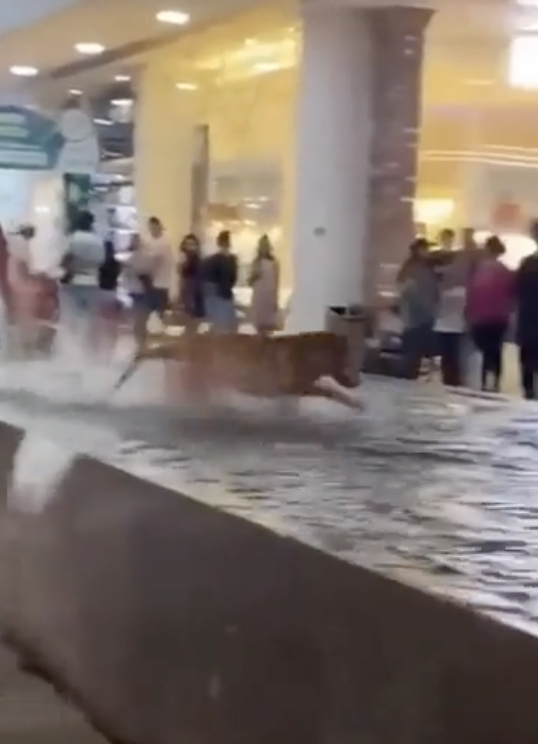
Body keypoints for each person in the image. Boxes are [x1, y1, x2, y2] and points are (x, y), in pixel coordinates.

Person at [466, 235, 513, 392]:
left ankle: (485, 380)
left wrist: (469, 313)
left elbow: (472, 293)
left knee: (484, 350)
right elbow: (511, 295)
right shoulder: (505, 271)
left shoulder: (478, 270)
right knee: (496, 348)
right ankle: (495, 381)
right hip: (500, 317)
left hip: (481, 317)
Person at [397, 238, 438, 379]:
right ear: (419, 250)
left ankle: (409, 379)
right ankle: (407, 380)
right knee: (412, 356)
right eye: (426, 249)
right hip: (416, 319)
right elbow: (410, 292)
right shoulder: (415, 270)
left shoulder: (420, 268)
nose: (428, 252)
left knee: (415, 356)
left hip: (418, 319)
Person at [60, 210, 105, 336]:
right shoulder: (98, 240)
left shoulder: (73, 238)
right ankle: (86, 345)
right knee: (89, 317)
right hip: (93, 281)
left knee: (72, 316)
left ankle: (73, 344)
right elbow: (102, 261)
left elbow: (66, 258)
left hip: (75, 280)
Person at [434, 252, 468, 387]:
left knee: (446, 356)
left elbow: (436, 306)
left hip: (442, 325)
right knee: (455, 356)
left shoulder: (440, 286)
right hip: (457, 326)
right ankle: (454, 380)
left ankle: (448, 380)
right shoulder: (462, 289)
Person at [514, 219, 538, 399]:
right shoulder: (527, 263)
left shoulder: (527, 264)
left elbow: (516, 291)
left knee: (528, 363)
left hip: (528, 322)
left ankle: (529, 394)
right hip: (528, 322)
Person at [203, 230, 238, 332]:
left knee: (219, 326)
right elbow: (232, 279)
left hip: (216, 295)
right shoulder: (230, 260)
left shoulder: (211, 260)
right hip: (222, 295)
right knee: (225, 327)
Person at [142, 216, 174, 324]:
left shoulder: (166, 241)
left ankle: (160, 325)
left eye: (155, 227)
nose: (153, 229)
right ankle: (152, 326)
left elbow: (166, 259)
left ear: (159, 226)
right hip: (149, 278)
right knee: (150, 306)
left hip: (163, 279)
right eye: (151, 227)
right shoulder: (147, 240)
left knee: (161, 306)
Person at [248, 234, 280, 335]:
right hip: (263, 296)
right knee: (264, 327)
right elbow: (251, 281)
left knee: (266, 327)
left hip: (264, 296)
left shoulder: (262, 262)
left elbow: (276, 281)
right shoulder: (271, 262)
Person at [178, 233, 205, 334]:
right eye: (188, 244)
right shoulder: (183, 258)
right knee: (189, 320)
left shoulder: (198, 258)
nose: (190, 247)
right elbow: (181, 274)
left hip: (197, 291)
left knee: (196, 320)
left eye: (192, 244)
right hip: (188, 290)